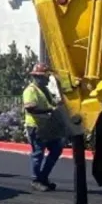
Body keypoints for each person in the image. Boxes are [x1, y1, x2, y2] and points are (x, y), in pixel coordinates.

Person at [23, 62, 63, 192]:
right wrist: (48, 111)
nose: (47, 79)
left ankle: (43, 177)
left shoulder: (45, 91)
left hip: (47, 126)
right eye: (46, 77)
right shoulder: (30, 91)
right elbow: (30, 109)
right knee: (38, 153)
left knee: (56, 149)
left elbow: (52, 104)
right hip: (35, 126)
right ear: (38, 77)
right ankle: (36, 180)